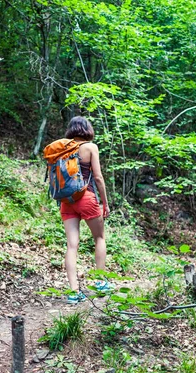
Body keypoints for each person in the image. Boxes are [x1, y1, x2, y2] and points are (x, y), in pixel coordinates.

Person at [59, 116, 112, 304]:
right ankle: (100, 281)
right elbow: (98, 178)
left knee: (72, 245)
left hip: (66, 201)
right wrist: (104, 202)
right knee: (99, 238)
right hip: (86, 198)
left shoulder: (63, 148)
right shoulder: (90, 147)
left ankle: (73, 292)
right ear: (87, 129)